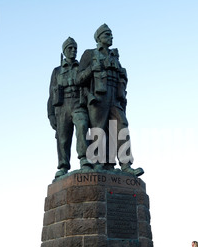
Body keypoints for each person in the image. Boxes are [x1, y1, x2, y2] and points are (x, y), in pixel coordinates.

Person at [76, 24, 143, 176]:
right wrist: (92, 68)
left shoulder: (114, 56)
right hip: (98, 97)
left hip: (115, 97)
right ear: (99, 38)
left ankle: (126, 165)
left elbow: (122, 77)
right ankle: (98, 164)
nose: (111, 37)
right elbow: (78, 78)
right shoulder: (90, 54)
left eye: (111, 34)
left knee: (122, 125)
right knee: (98, 129)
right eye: (107, 35)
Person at [47, 37, 92, 179]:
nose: (73, 51)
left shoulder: (81, 67)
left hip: (78, 103)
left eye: (75, 48)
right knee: (63, 138)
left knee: (82, 125)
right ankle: (63, 165)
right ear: (64, 51)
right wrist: (50, 115)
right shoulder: (57, 71)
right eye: (70, 48)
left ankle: (84, 158)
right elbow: (50, 95)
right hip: (62, 107)